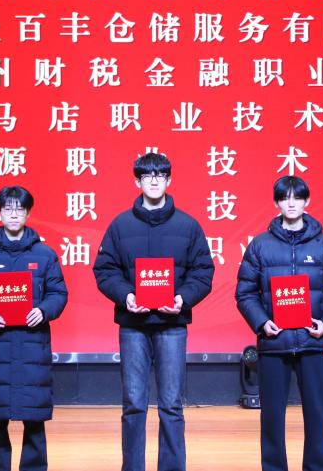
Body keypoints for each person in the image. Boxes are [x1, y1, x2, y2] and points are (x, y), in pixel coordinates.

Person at [92, 152, 215, 471]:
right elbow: (105, 270)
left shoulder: (188, 225)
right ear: (138, 182)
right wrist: (126, 296)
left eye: (160, 175)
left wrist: (182, 299)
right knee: (133, 404)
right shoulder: (120, 225)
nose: (154, 180)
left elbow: (203, 271)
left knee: (171, 405)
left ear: (169, 180)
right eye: (147, 175)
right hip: (133, 324)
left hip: (172, 324)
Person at [235, 176, 323, 471]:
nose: (291, 203)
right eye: (284, 198)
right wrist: (262, 323)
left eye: (297, 197)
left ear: (306, 201)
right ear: (276, 203)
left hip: (313, 342)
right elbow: (245, 293)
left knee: (317, 415)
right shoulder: (260, 246)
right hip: (274, 343)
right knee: (271, 416)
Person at [0, 186, 69, 471]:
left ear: (28, 213)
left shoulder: (45, 255)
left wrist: (43, 310)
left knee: (34, 420)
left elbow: (58, 293)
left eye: (19, 209)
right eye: (7, 209)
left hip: (33, 346)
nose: (13, 214)